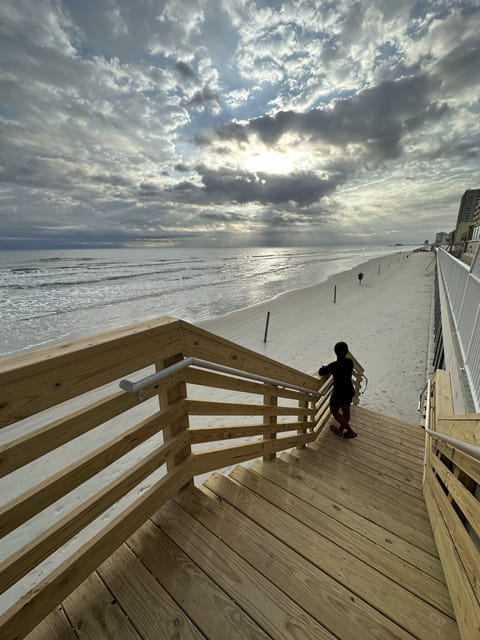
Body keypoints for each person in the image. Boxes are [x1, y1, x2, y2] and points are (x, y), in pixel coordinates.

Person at [319, 341, 357, 439]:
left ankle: (351, 431)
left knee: (334, 410)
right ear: (346, 351)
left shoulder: (334, 365)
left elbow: (321, 372)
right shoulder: (350, 362)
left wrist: (325, 367)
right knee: (346, 411)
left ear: (335, 352)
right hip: (349, 390)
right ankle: (340, 430)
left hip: (339, 393)